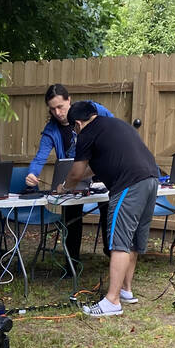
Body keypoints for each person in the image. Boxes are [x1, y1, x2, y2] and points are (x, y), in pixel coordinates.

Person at [62, 101, 159, 318]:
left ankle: (112, 301)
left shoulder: (87, 133)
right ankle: (126, 290)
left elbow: (76, 173)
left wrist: (64, 187)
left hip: (129, 184)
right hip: (151, 180)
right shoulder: (115, 124)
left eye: (74, 128)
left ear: (77, 123)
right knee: (132, 239)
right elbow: (95, 166)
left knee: (119, 241)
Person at [26, 83, 112, 270]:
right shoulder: (51, 130)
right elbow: (41, 156)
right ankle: (71, 263)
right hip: (73, 179)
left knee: (108, 208)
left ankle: (111, 252)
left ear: (69, 100)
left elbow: (113, 124)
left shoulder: (92, 109)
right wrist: (32, 173)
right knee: (71, 217)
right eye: (52, 109)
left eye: (60, 106)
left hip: (99, 173)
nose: (57, 112)